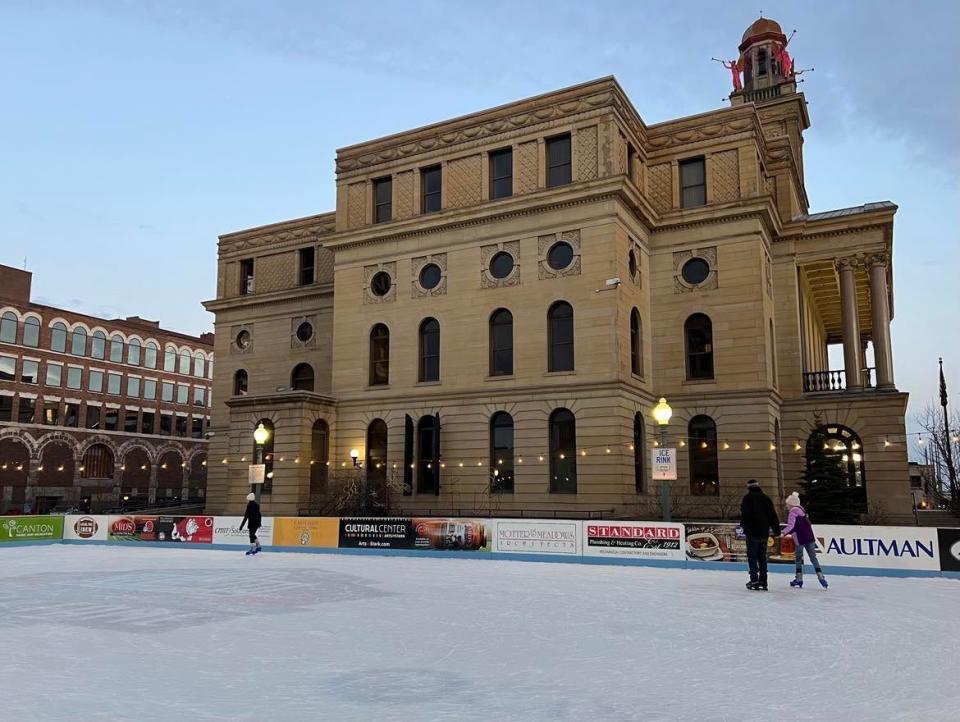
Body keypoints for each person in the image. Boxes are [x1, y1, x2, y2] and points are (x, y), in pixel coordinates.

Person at [781, 492, 828, 589]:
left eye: (787, 504)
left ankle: (799, 579)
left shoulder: (793, 512)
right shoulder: (802, 509)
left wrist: (782, 533)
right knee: (813, 558)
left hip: (800, 539)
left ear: (791, 504)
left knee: (798, 559)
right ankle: (821, 577)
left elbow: (791, 526)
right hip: (809, 537)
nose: (786, 506)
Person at [740, 479, 780, 591]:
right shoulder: (766, 498)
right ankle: (763, 581)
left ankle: (754, 580)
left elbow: (745, 515)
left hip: (752, 532)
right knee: (762, 557)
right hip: (764, 533)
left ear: (749, 487)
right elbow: (773, 515)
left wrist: (744, 526)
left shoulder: (747, 498)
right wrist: (776, 530)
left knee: (752, 557)